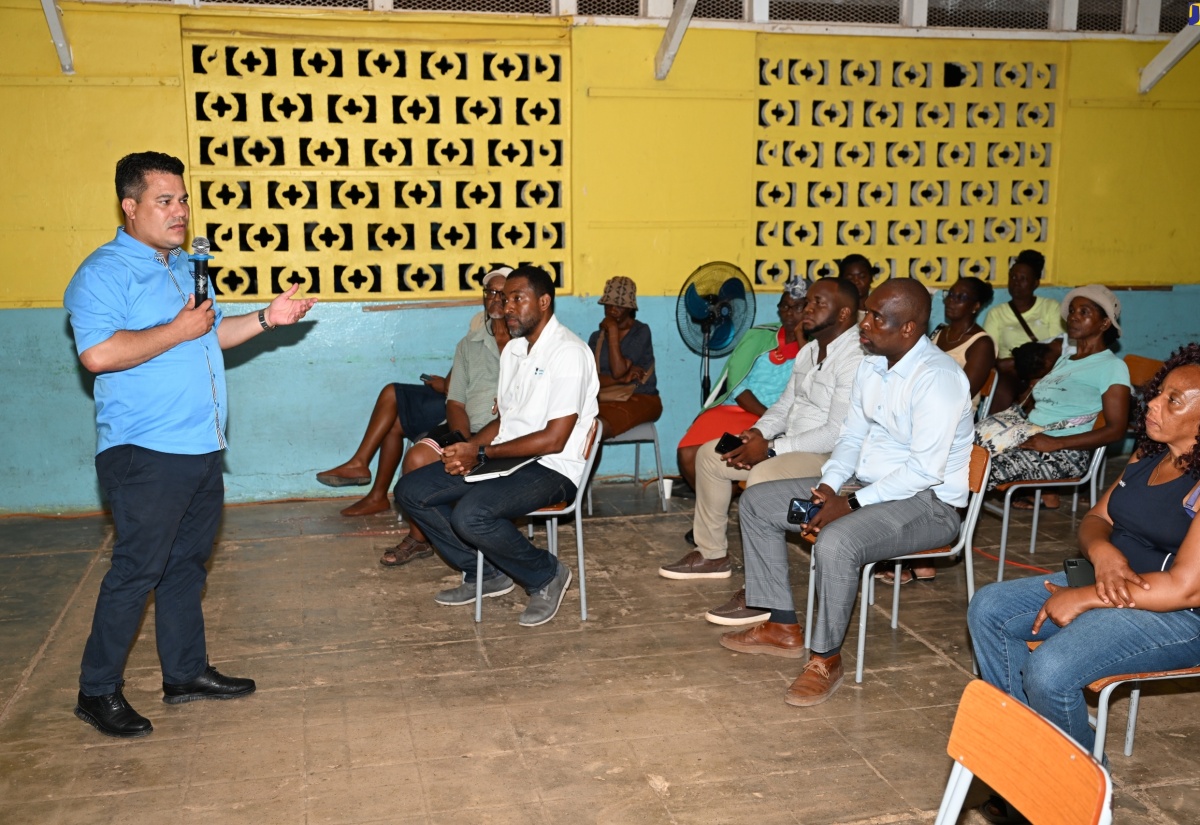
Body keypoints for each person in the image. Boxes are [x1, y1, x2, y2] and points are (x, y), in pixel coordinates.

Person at [64, 151, 317, 738]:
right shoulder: (104, 273)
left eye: (181, 199)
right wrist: (179, 328)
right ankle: (96, 690)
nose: (179, 211)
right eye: (164, 201)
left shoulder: (183, 266)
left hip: (200, 445)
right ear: (130, 208)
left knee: (184, 567)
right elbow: (98, 354)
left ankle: (184, 673)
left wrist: (268, 318)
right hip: (144, 449)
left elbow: (212, 335)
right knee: (137, 570)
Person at [967, 344, 1200, 823]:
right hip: (1115, 583)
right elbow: (1096, 517)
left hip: (1175, 614)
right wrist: (1105, 553)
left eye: (1174, 400)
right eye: (1160, 393)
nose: (1152, 403)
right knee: (989, 608)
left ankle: (1086, 792)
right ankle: (1026, 766)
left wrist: (1088, 596)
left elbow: (1184, 588)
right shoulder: (1151, 451)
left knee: (1051, 671)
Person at [718, 279, 974, 707]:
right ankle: (782, 625)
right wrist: (828, 486)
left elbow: (924, 471)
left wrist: (850, 504)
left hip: (929, 504)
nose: (864, 324)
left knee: (837, 542)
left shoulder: (939, 379)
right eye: (866, 313)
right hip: (867, 485)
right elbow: (851, 439)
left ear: (908, 329)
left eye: (876, 317)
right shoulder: (872, 365)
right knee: (758, 502)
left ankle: (825, 659)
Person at [394, 266, 599, 627]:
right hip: (507, 457)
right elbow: (506, 420)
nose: (507, 308)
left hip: (553, 466)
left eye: (518, 299)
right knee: (411, 490)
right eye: (505, 300)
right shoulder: (515, 352)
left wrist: (482, 455)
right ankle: (486, 573)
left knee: (471, 514)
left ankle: (545, 574)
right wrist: (467, 449)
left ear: (545, 301)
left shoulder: (568, 353)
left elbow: (555, 439)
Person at [657, 278, 863, 595]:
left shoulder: (854, 358)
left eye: (818, 302)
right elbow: (784, 406)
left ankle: (763, 588)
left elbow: (836, 434)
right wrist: (757, 432)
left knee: (763, 476)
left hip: (830, 458)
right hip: (793, 447)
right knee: (710, 455)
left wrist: (770, 450)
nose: (807, 308)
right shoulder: (810, 352)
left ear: (845, 313)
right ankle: (712, 554)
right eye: (807, 301)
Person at [320, 269, 514, 567]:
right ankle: (420, 536)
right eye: (490, 292)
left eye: (503, 294)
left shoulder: (526, 344)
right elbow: (455, 399)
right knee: (417, 458)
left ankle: (430, 535)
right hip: (467, 427)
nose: (495, 299)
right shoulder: (471, 342)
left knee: (396, 409)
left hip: (506, 432)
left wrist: (474, 446)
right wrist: (462, 440)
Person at [979, 285, 1131, 511]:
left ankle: (946, 528)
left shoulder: (1112, 367)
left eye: (1084, 312)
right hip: (1031, 437)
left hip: (1066, 453)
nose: (1073, 317)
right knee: (957, 453)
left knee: (978, 468)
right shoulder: (1065, 360)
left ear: (1104, 323)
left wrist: (1056, 443)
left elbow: (1117, 429)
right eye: (1072, 311)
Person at [884, 276, 995, 585]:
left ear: (975, 306)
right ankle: (907, 550)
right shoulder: (938, 333)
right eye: (950, 295)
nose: (951, 301)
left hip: (951, 422)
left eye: (960, 297)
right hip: (921, 413)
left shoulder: (982, 343)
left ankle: (915, 552)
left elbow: (959, 393)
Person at [676, 283, 806, 492]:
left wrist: (802, 339)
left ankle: (732, 495)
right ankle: (714, 509)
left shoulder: (817, 347)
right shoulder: (759, 335)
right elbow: (737, 387)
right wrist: (767, 416)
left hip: (780, 418)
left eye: (798, 307)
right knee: (687, 453)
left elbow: (811, 382)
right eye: (785, 306)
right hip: (740, 408)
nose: (790, 313)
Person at [983, 250, 1063, 411]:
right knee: (1002, 390)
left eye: (1023, 278)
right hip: (1011, 373)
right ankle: (993, 431)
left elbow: (1058, 346)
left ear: (1035, 283)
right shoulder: (996, 313)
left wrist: (1021, 363)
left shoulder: (1050, 307)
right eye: (1013, 277)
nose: (1016, 282)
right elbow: (989, 354)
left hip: (1046, 370)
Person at [588, 276, 661, 439]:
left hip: (642, 398)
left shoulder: (641, 332)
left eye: (620, 305)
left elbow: (618, 370)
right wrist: (621, 380)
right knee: (583, 424)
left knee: (596, 428)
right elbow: (593, 381)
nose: (613, 309)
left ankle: (588, 464)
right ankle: (585, 465)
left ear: (630, 308)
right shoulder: (596, 338)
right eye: (609, 304)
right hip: (606, 397)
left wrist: (612, 331)